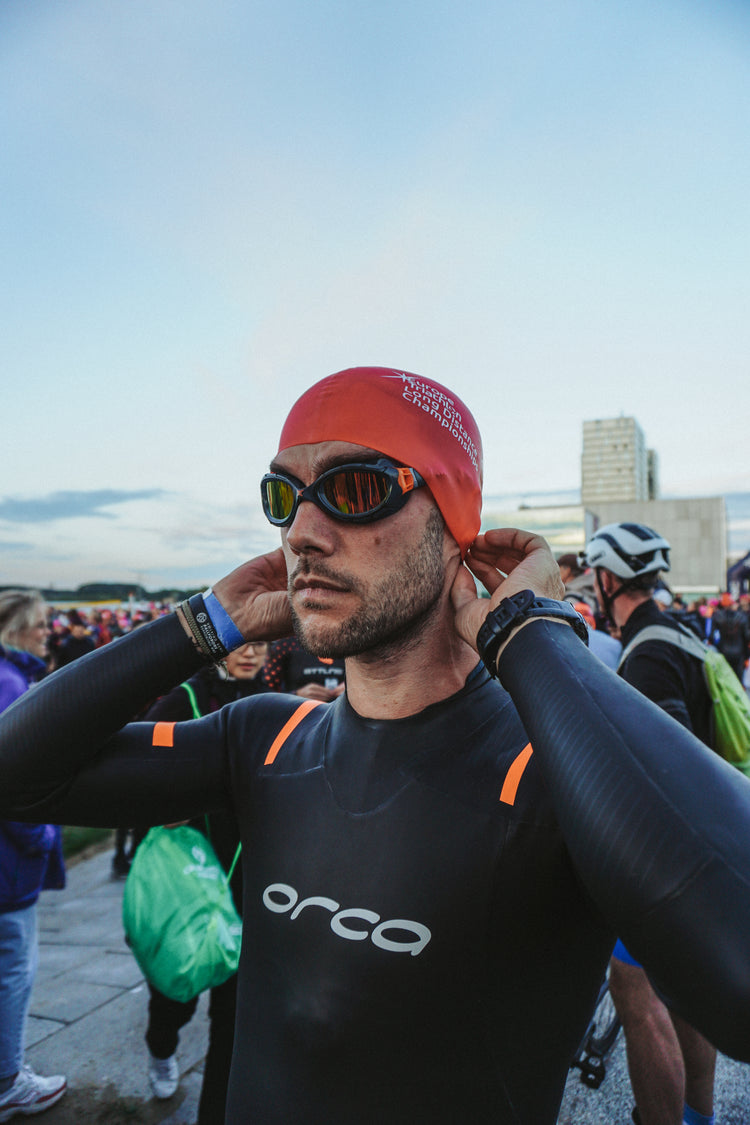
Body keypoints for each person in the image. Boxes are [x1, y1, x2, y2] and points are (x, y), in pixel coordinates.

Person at [1, 367, 750, 1125]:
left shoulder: (554, 773)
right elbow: (16, 772)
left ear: (453, 521)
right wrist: (200, 624)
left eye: (354, 489)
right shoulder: (268, 734)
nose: (302, 532)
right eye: (284, 497)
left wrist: (526, 632)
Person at [583, 522, 718, 1125]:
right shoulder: (680, 631)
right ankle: (699, 1119)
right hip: (708, 849)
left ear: (609, 578)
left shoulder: (649, 652)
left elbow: (664, 764)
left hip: (666, 860)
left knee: (636, 994)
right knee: (689, 998)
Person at [137, 641, 268, 1122]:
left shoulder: (267, 696)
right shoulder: (186, 700)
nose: (252, 653)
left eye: (261, 645)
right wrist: (167, 803)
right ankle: (161, 1047)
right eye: (243, 644)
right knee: (178, 989)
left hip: (244, 876)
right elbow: (136, 764)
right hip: (194, 874)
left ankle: (215, 1112)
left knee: (231, 1017)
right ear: (219, 650)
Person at [0, 591, 67, 1122]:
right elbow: (11, 779)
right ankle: (8, 1080)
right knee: (14, 967)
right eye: (41, 625)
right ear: (16, 629)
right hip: (8, 862)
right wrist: (42, 835)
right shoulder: (9, 683)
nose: (48, 633)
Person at [262, 634, 345, 700]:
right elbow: (264, 691)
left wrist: (353, 689)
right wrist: (296, 694)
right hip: (300, 711)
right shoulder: (286, 643)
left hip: (342, 712)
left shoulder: (348, 639)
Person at [710, 592, 750, 682]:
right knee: (738, 680)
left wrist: (718, 646)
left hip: (723, 652)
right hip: (739, 654)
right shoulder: (742, 617)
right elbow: (747, 636)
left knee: (725, 679)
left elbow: (711, 636)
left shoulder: (717, 616)